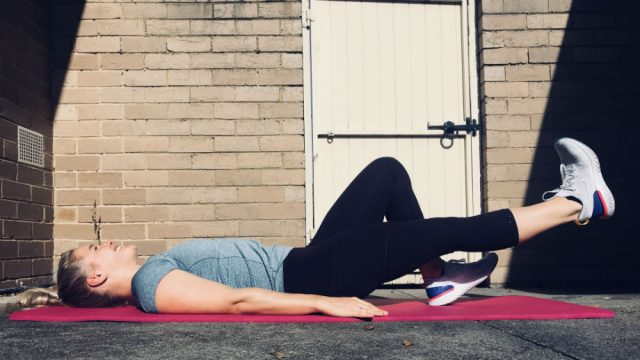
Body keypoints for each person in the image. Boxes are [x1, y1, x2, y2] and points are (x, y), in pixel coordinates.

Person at [43, 137, 613, 318]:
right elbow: (238, 302)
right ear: (96, 277)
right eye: (100, 248)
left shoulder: (152, 271)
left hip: (309, 257)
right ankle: (577, 202)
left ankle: (438, 278)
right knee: (445, 226)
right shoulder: (150, 285)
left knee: (387, 174)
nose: (110, 241)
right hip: (315, 274)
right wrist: (327, 302)